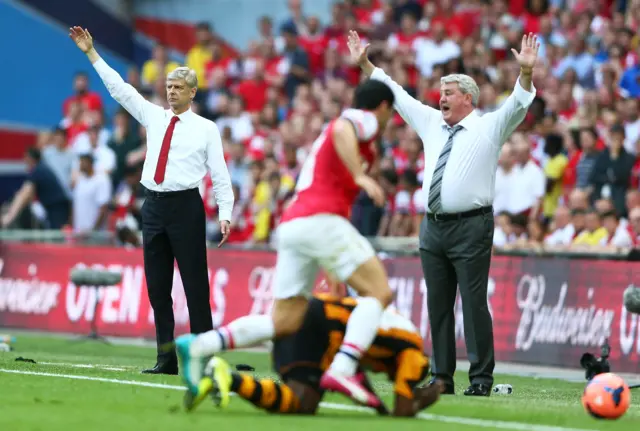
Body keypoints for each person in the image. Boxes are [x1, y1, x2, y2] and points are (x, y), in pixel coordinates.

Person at [174, 79, 396, 407]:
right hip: (319, 219)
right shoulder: (363, 120)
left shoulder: (358, 142)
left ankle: (200, 345)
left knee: (285, 321)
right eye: (390, 113)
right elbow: (341, 128)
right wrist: (361, 176)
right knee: (378, 292)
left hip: (296, 224)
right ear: (383, 108)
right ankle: (345, 367)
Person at [348, 30, 539, 396]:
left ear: (467, 98)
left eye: (448, 93)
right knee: (437, 305)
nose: (441, 98)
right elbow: (396, 94)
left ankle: (481, 379)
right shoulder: (432, 123)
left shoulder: (488, 127)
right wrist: (366, 65)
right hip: (432, 227)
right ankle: (442, 377)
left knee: (472, 304)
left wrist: (526, 73)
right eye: (441, 92)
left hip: (471, 225)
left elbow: (517, 103)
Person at [69, 27, 234, 375]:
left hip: (186, 207)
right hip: (154, 207)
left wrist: (226, 212)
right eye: (169, 86)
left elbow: (219, 175)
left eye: (178, 87)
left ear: (192, 92)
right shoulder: (154, 116)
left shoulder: (206, 128)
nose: (171, 92)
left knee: (195, 288)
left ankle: (204, 358)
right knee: (158, 289)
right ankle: (166, 358)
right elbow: (119, 90)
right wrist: (91, 54)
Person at [188, 294, 441, 417]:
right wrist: (422, 399)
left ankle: (227, 377)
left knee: (301, 404)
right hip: (320, 329)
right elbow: (403, 408)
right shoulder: (414, 354)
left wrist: (379, 409)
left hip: (319, 325)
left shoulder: (395, 334)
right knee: (303, 402)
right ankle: (217, 362)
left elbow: (362, 382)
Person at [1, 147, 70, 229]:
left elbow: (24, 194)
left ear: (30, 158)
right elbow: (27, 194)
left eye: (25, 157)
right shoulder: (42, 167)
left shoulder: (38, 170)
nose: (24, 160)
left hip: (58, 208)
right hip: (56, 207)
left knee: (58, 235)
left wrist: (9, 217)